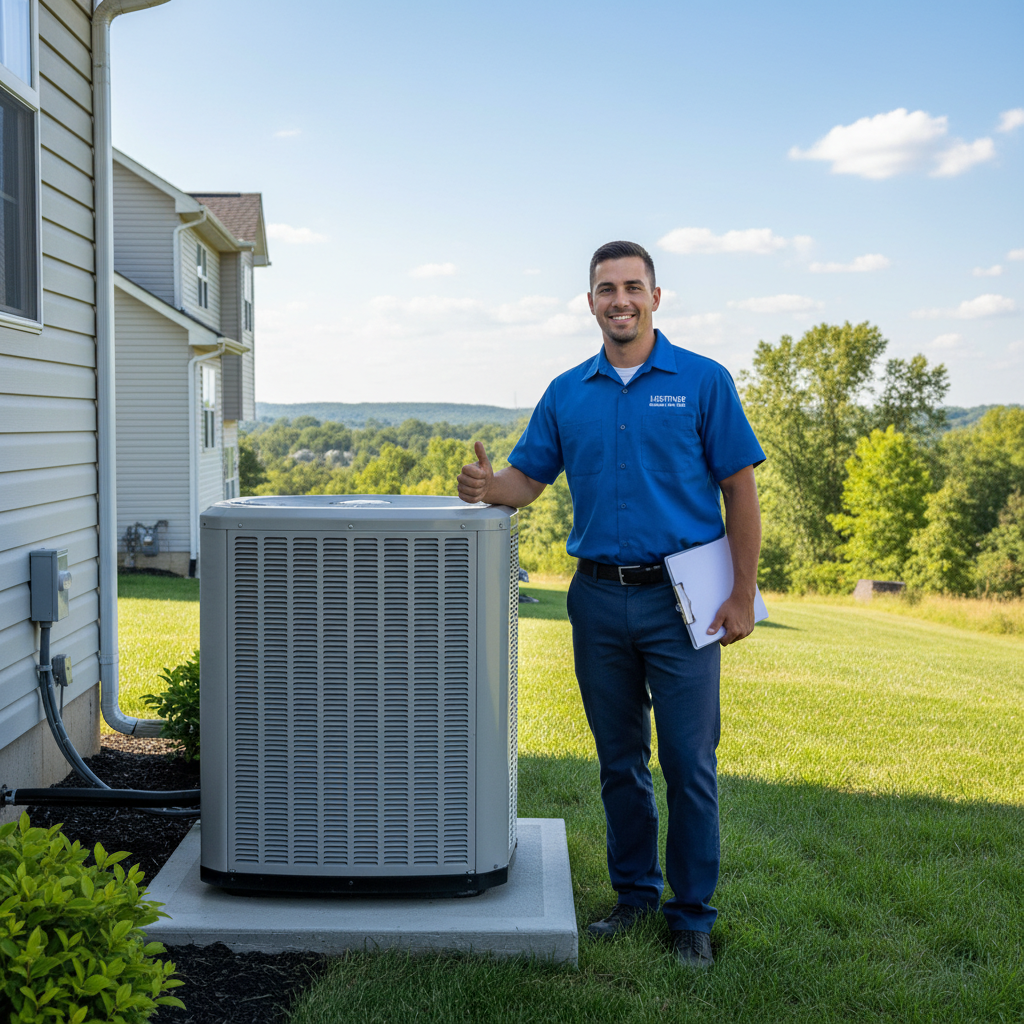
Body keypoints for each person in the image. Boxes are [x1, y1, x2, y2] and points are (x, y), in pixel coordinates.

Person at [457, 240, 764, 969]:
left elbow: (740, 490)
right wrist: (484, 486)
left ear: (657, 297)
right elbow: (525, 481)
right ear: (589, 302)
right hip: (595, 599)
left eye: (632, 286)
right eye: (605, 288)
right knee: (619, 761)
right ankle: (634, 898)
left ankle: (691, 915)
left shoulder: (703, 382)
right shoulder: (568, 391)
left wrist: (744, 592)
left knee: (690, 763)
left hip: (685, 598)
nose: (619, 299)